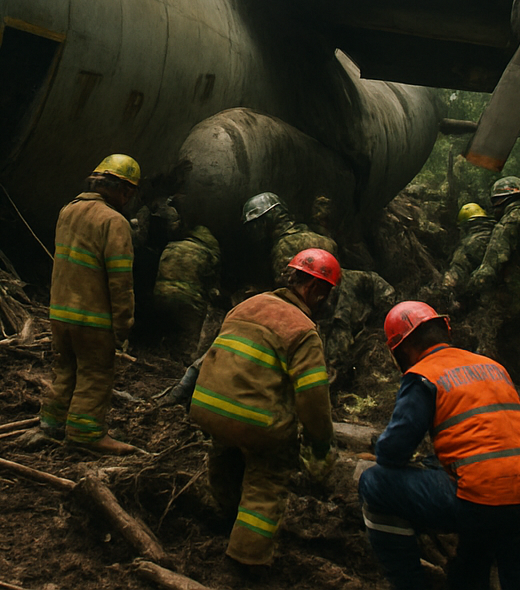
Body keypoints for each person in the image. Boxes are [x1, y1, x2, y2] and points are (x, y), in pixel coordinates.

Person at [359, 301, 520, 590]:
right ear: (444, 331)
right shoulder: (493, 366)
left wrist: (388, 452)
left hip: (481, 499)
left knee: (374, 482)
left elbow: (393, 451)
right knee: (496, 539)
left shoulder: (424, 374)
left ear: (402, 349)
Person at [189, 248, 339, 570]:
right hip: (255, 424)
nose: (324, 303)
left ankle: (227, 517)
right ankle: (247, 558)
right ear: (313, 289)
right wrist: (321, 441)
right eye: (324, 295)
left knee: (226, 453)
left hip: (207, 409)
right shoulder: (302, 330)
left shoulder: (246, 305)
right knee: (268, 477)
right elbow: (313, 397)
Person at [40, 154, 141, 453]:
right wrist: (124, 324)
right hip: (93, 319)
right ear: (121, 189)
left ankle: (52, 423)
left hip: (60, 314)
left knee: (65, 369)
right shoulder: (114, 221)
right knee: (95, 374)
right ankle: (86, 434)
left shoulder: (67, 211)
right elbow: (120, 280)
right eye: (130, 191)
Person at [461, 176, 520, 386]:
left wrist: (468, 289)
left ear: (501, 201)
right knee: (514, 341)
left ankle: (490, 387)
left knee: (488, 341)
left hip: (505, 296)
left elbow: (491, 265)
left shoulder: (508, 224)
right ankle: (517, 386)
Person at [151, 225, 222, 355]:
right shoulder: (208, 254)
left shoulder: (171, 246)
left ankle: (161, 353)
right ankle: (186, 360)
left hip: (160, 296)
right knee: (189, 342)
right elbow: (210, 283)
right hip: (189, 303)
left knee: (163, 337)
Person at [322, 268, 397, 384]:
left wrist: (333, 364)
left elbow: (342, 324)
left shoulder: (345, 289)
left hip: (377, 302)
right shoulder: (334, 285)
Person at [243, 192, 339, 276]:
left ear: (272, 215)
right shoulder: (319, 237)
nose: (256, 228)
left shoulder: (284, 247)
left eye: (258, 222)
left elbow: (287, 288)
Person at [439, 202, 494, 313]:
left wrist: (443, 291)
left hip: (480, 304)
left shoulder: (468, 244)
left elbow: (457, 271)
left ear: (465, 225)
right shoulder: (498, 234)